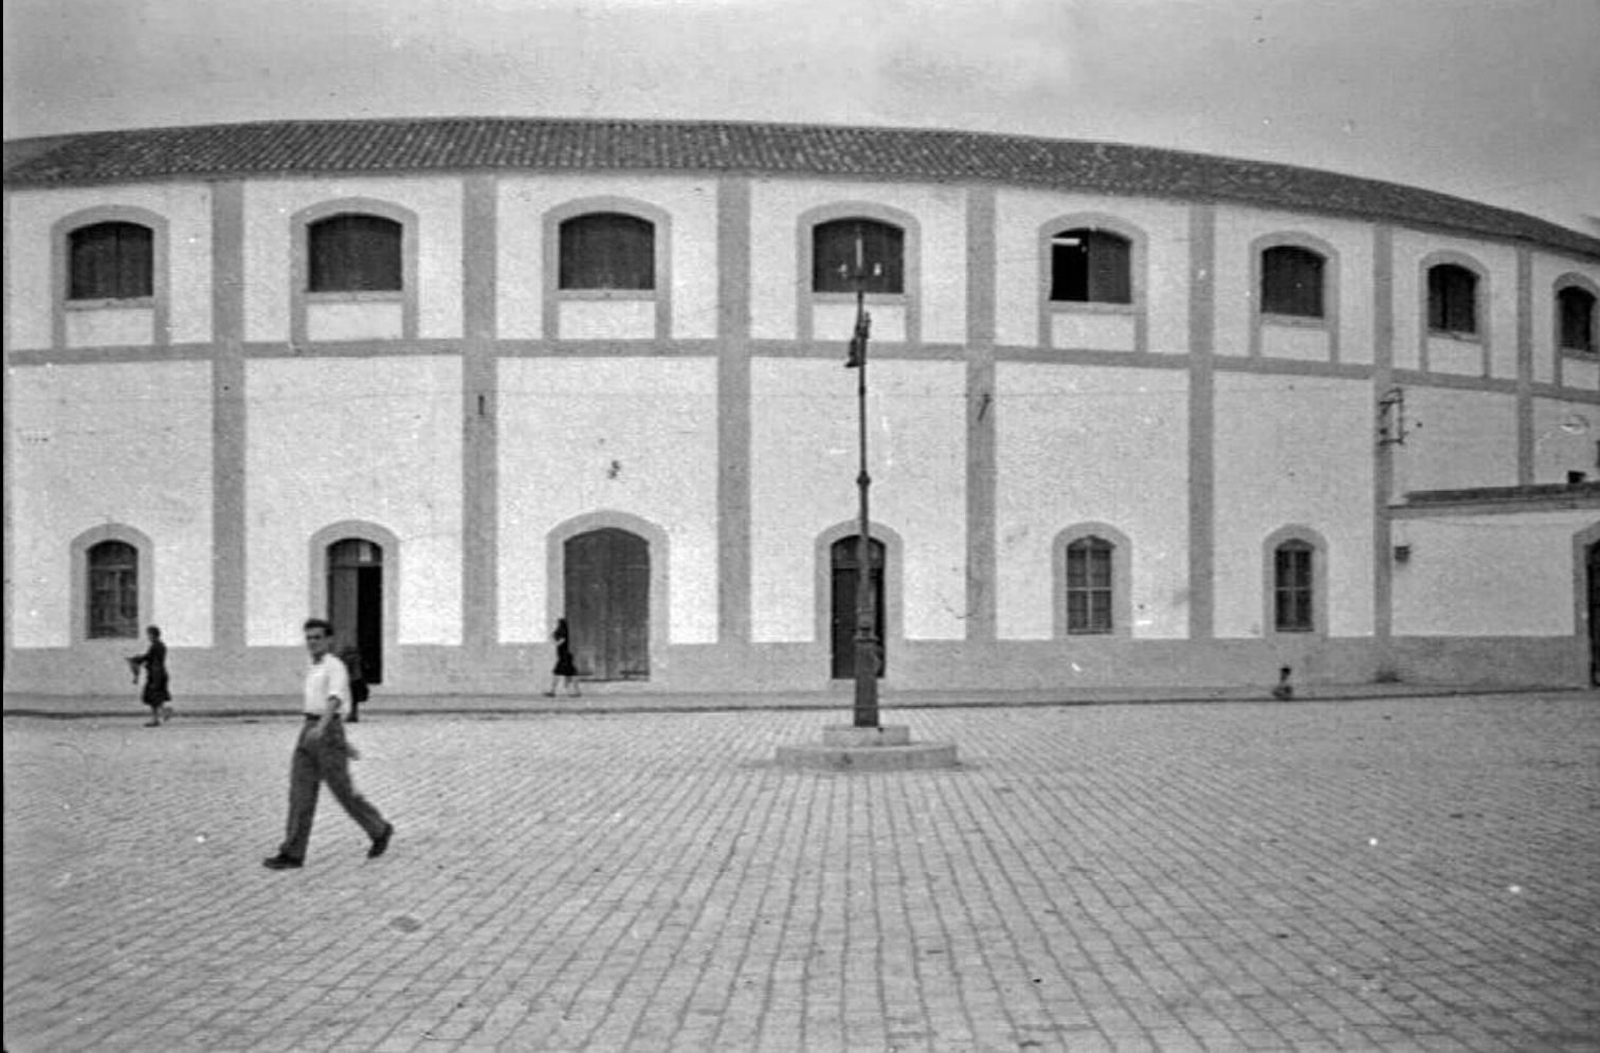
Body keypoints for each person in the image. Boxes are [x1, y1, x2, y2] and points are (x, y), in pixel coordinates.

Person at [262, 618, 393, 871]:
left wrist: (323, 730)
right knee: (300, 794)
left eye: (317, 637)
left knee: (343, 791)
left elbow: (335, 699)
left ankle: (379, 829)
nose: (312, 642)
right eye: (309, 638)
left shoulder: (335, 666)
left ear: (329, 640)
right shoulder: (313, 666)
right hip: (309, 728)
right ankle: (292, 853)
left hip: (325, 729)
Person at [127, 625, 172, 727]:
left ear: (153, 635)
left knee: (152, 698)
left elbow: (149, 658)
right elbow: (149, 657)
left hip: (156, 676)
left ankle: (161, 714)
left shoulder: (155, 646)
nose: (148, 637)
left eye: (149, 635)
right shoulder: (159, 646)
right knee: (156, 699)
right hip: (159, 674)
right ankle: (158, 717)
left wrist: (136, 659)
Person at [543, 616, 581, 697]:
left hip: (564, 657)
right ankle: (576, 691)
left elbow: (559, 643)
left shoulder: (563, 633)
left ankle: (553, 691)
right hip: (565, 656)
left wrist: (553, 640)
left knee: (557, 673)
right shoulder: (564, 632)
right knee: (571, 673)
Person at [339, 643, 369, 723]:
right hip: (358, 680)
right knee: (354, 701)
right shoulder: (359, 658)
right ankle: (354, 715)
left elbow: (347, 669)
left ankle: (351, 716)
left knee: (351, 700)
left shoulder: (348, 659)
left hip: (352, 681)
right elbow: (365, 667)